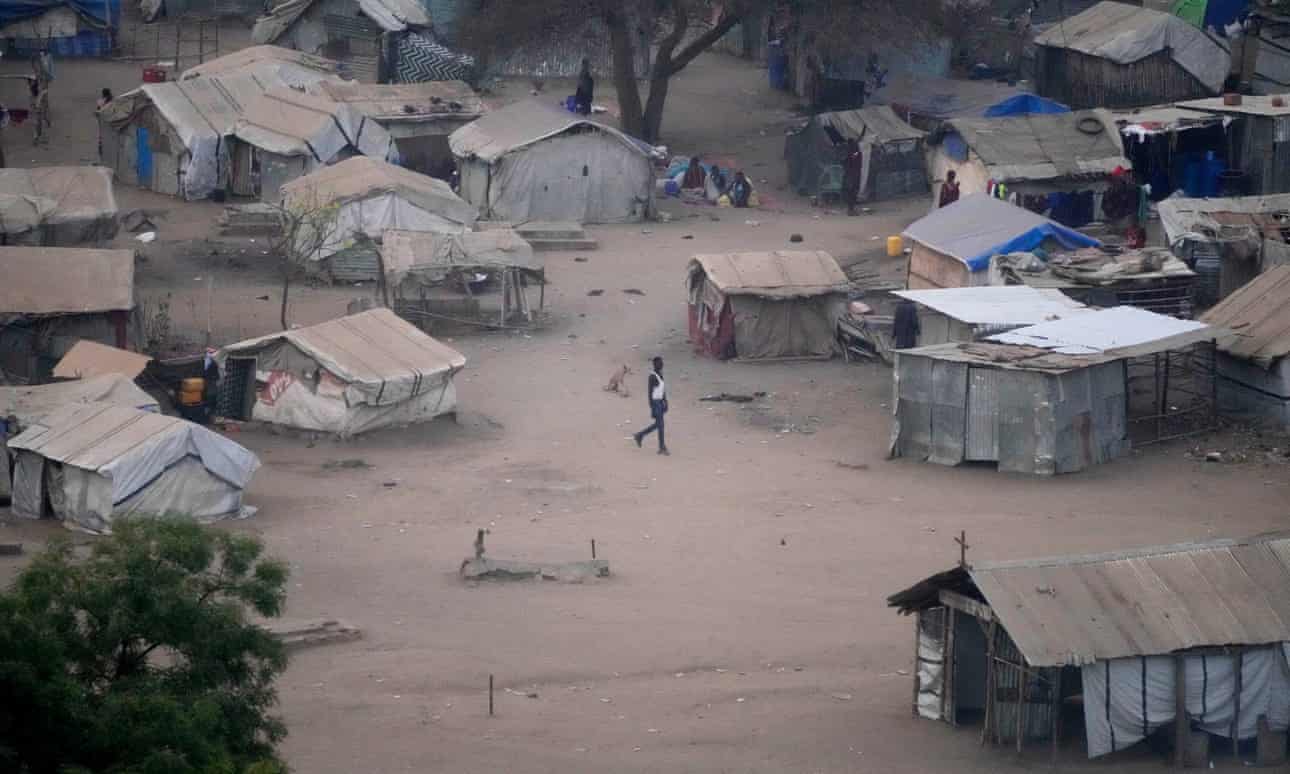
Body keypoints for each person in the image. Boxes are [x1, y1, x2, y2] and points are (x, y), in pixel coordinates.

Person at [633, 357, 669, 455]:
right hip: (655, 403)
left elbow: (662, 389)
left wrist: (666, 401)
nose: (661, 365)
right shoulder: (652, 377)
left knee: (659, 425)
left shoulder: (660, 375)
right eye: (659, 363)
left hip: (660, 402)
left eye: (662, 363)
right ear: (655, 365)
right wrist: (652, 407)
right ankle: (661, 447)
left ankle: (640, 435)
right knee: (660, 425)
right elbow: (649, 393)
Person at [842, 139, 864, 215]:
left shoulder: (852, 154)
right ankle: (851, 210)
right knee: (852, 192)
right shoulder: (852, 154)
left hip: (851, 175)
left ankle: (851, 209)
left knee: (852, 192)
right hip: (852, 176)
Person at [95, 88, 112, 160]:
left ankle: (102, 155)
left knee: (102, 137)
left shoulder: (100, 102)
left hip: (102, 123)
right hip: (111, 122)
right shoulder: (113, 101)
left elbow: (97, 112)